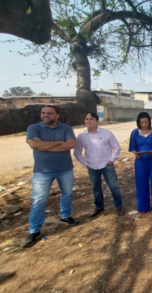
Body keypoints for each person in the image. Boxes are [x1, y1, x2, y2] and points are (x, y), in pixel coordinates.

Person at [22, 106, 77, 248]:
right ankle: (35, 230)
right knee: (39, 199)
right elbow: (34, 145)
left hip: (65, 168)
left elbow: (71, 144)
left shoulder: (66, 128)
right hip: (42, 170)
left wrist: (44, 145)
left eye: (50, 113)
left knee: (67, 194)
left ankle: (65, 216)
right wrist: (59, 142)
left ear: (57, 116)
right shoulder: (34, 128)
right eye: (43, 113)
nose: (46, 115)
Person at [74, 112, 124, 217]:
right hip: (92, 166)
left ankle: (118, 206)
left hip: (107, 164)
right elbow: (77, 152)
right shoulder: (82, 136)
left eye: (91, 119)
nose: (88, 121)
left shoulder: (106, 133)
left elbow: (117, 147)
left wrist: (111, 160)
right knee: (96, 187)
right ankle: (99, 207)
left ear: (97, 121)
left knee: (113, 186)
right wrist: (85, 163)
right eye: (86, 119)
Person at [129, 112, 152, 214]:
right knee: (141, 184)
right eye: (141, 122)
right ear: (138, 123)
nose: (144, 124)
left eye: (146, 122)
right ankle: (143, 207)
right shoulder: (134, 133)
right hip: (140, 162)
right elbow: (132, 147)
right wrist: (135, 154)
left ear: (149, 122)